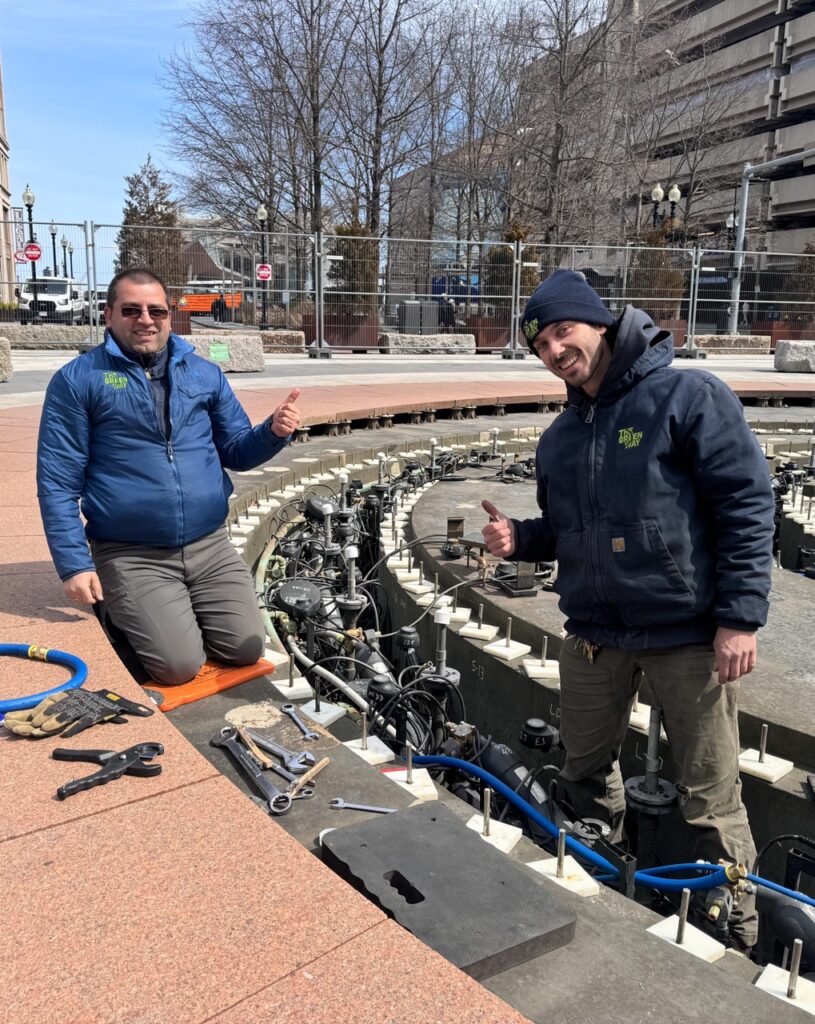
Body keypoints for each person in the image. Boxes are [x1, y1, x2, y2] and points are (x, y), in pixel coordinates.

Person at [481, 269, 774, 949]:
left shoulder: (686, 395)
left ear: (599, 324)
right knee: (582, 775)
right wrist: (519, 539)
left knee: (708, 792)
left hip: (687, 636)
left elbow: (745, 505)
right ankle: (596, 887)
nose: (555, 350)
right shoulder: (559, 437)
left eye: (563, 331)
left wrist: (739, 617)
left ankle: (735, 928)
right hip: (593, 637)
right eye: (541, 344)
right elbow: (565, 529)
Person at [37, 267, 302, 685]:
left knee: (246, 647)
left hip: (208, 544)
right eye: (131, 310)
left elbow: (235, 449)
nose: (145, 319)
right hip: (131, 551)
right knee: (178, 667)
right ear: (108, 315)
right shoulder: (77, 380)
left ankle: (171, 609)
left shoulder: (203, 373)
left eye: (156, 310)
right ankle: (123, 609)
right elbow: (57, 482)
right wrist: (74, 565)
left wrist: (272, 432)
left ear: (169, 315)